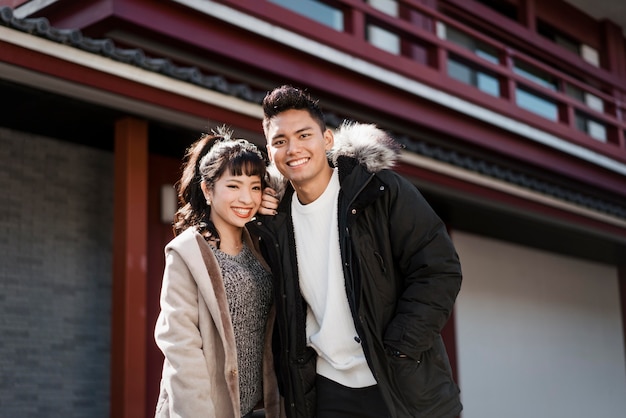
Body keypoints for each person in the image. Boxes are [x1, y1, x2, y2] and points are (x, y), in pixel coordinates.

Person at [250, 85, 463, 418]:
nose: (293, 149)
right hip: (328, 389)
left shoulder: (378, 191)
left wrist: (400, 349)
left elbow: (438, 268)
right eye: (280, 141)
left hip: (399, 382)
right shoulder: (273, 221)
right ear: (270, 151)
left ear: (328, 139)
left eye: (304, 134)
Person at [154, 128, 284, 418]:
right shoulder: (186, 253)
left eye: (254, 186)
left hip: (258, 410)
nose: (246, 198)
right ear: (207, 190)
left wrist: (274, 215)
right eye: (234, 186)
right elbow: (181, 348)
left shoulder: (261, 245)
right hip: (206, 410)